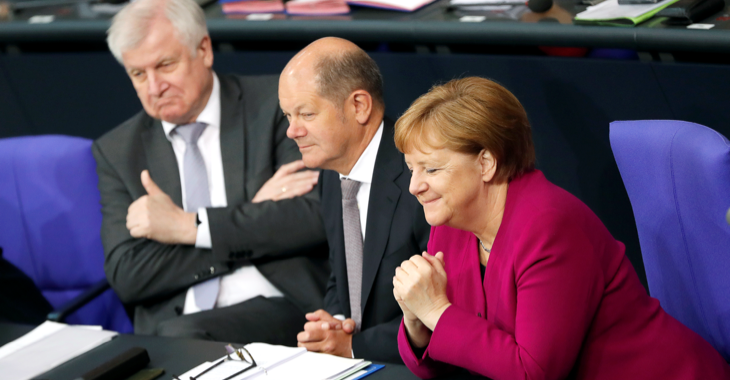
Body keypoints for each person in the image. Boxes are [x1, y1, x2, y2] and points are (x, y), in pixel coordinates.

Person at [392, 77, 730, 379]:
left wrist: (437, 310)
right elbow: (455, 357)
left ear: (486, 163)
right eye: (411, 169)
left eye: (431, 169)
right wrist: (417, 321)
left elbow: (532, 371)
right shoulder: (451, 222)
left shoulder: (548, 226)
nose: (415, 186)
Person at [92, 0, 328, 345]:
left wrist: (185, 227)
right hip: (176, 320)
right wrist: (248, 214)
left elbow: (312, 216)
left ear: (203, 49)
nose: (154, 87)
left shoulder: (274, 106)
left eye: (165, 65)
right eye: (138, 74)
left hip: (284, 306)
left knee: (185, 338)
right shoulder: (118, 151)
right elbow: (128, 274)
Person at [279, 37, 430, 363]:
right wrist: (334, 323)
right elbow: (342, 274)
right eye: (287, 116)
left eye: (305, 113)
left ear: (359, 106)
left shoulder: (419, 177)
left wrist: (354, 347)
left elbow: (444, 307)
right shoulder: (332, 174)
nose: (292, 131)